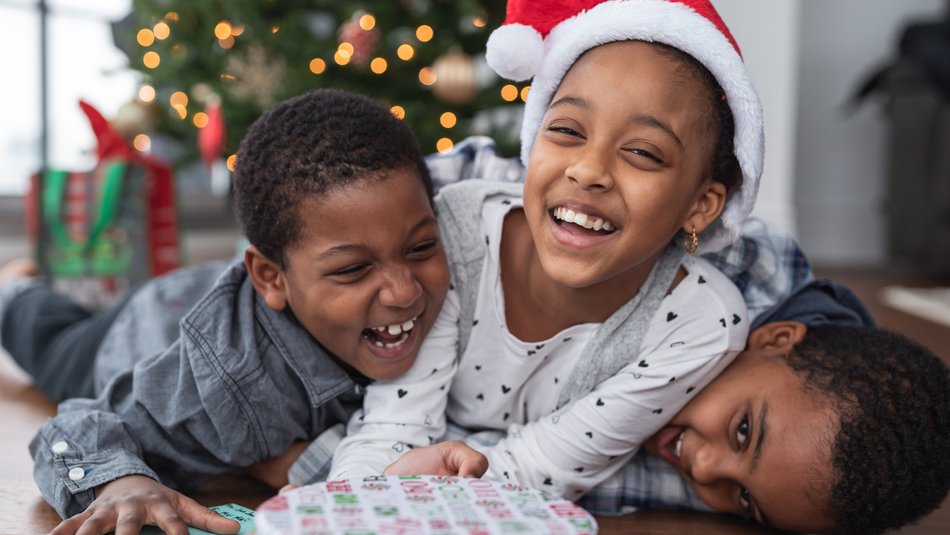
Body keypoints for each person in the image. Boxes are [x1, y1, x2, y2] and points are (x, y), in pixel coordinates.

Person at [326, 0, 761, 505]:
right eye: (567, 131)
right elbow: (391, 427)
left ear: (701, 205)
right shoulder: (455, 236)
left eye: (643, 152)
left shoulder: (700, 323)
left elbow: (537, 469)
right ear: (532, 144)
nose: (588, 170)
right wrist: (345, 508)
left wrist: (422, 495)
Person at [4, 88, 452, 534]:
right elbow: (72, 429)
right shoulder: (230, 384)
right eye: (354, 269)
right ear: (272, 276)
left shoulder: (460, 268)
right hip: (136, 332)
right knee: (44, 336)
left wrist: (303, 460)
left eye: (421, 247)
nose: (402, 292)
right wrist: (122, 481)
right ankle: (16, 286)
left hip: (209, 290)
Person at [383, 278, 950, 535]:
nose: (703, 469)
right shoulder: (725, 267)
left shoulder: (780, 480)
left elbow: (533, 482)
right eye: (744, 430)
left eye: (745, 502)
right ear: (774, 338)